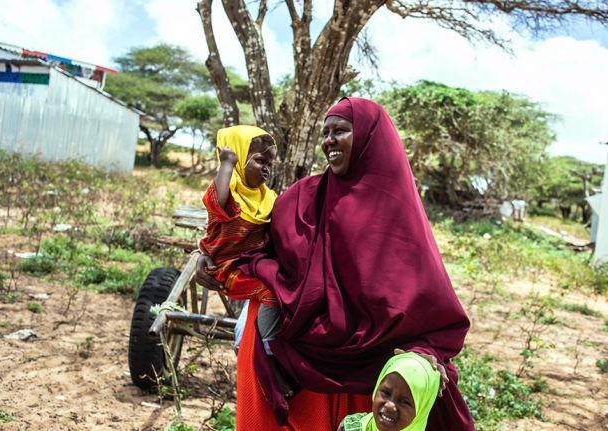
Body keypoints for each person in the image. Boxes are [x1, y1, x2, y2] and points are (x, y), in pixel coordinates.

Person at [196, 97, 474, 430]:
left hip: (365, 376)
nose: (329, 140)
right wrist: (208, 255)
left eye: (340, 130)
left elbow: (429, 307)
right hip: (289, 364)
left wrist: (424, 352)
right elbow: (255, 245)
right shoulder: (302, 197)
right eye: (325, 132)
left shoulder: (401, 214)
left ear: (371, 137)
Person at [198, 125, 291, 396]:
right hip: (227, 269)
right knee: (271, 292)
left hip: (252, 264)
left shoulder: (266, 199)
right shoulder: (230, 197)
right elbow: (220, 196)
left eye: (269, 163)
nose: (266, 169)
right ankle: (269, 353)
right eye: (260, 161)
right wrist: (227, 163)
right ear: (238, 160)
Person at [337, 351, 441, 431]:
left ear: (421, 412)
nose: (390, 406)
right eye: (386, 393)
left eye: (405, 402)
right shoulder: (350, 427)